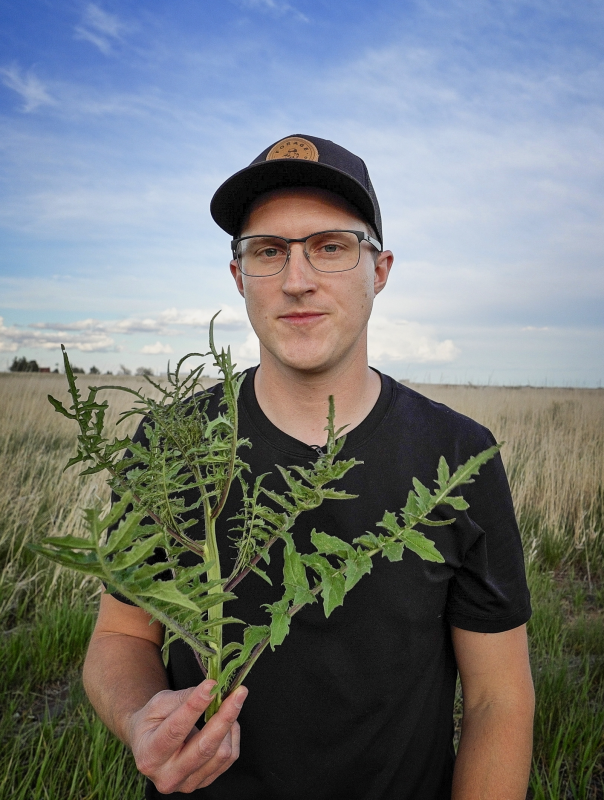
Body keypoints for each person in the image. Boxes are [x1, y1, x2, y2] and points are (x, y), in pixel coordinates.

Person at [83, 135, 535, 800]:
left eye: (330, 246)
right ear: (238, 276)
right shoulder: (169, 445)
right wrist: (137, 717)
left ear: (379, 270)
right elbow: (121, 634)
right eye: (268, 251)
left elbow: (499, 698)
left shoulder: (459, 459)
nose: (297, 280)